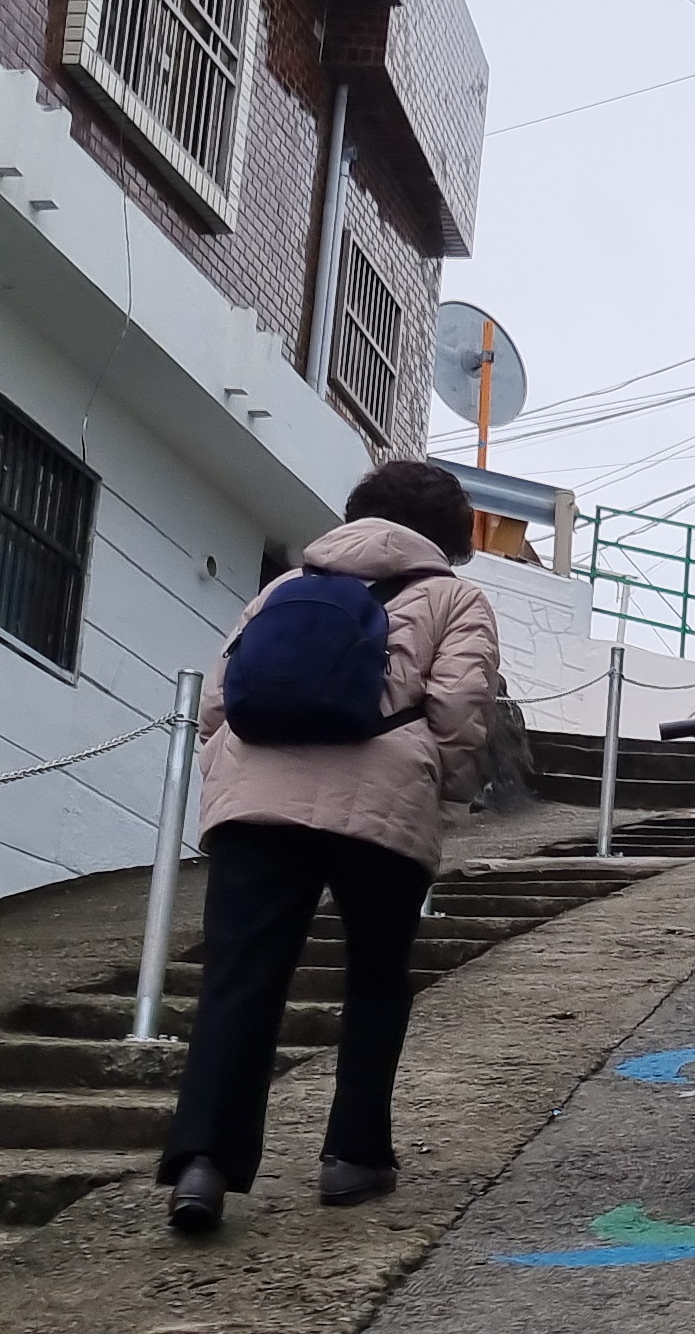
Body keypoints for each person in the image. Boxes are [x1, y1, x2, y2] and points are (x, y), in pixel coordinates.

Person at [159, 459, 503, 1234]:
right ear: (449, 534)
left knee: (239, 979)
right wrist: (438, 790)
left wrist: (236, 775)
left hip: (255, 800)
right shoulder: (455, 598)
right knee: (376, 978)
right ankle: (353, 1158)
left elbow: (218, 701)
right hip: (383, 800)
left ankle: (204, 1165)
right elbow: (459, 708)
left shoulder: (285, 586)